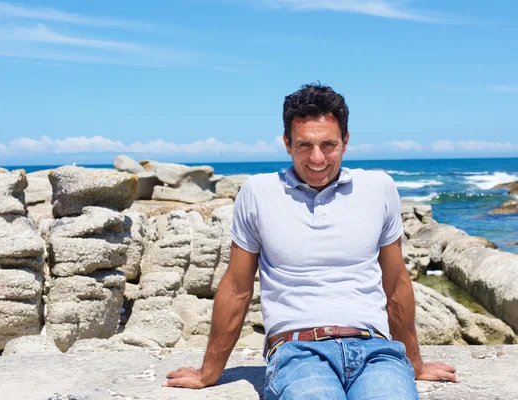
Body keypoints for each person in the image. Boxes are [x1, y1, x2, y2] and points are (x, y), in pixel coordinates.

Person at [163, 83, 459, 398]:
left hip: (376, 350)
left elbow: (396, 280)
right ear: (287, 143)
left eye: (328, 145)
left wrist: (414, 362)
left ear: (346, 141)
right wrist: (209, 371)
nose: (317, 158)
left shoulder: (379, 188)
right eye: (304, 145)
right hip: (297, 352)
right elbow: (237, 287)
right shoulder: (258, 192)